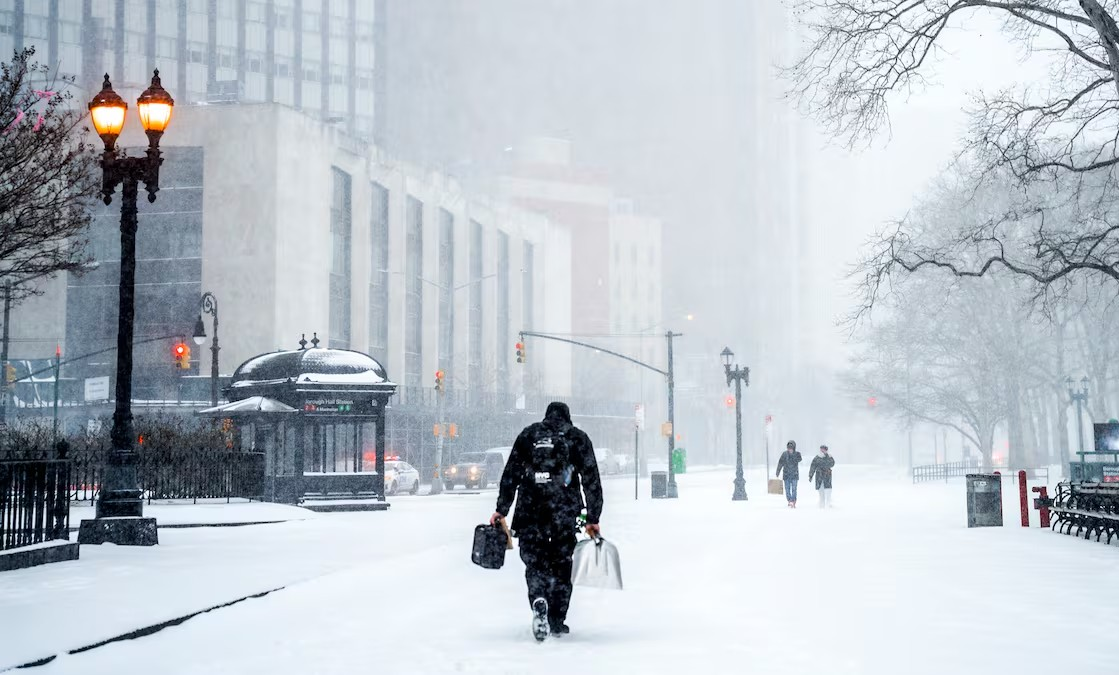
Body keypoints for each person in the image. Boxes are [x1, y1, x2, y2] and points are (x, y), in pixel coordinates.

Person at [490, 401, 604, 641]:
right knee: (562, 565)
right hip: (563, 514)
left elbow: (511, 474)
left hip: (530, 513)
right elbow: (591, 479)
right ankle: (557, 619)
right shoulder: (577, 438)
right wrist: (593, 517)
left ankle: (538, 598)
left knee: (535, 564)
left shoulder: (529, 435)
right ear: (567, 417)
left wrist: (501, 510)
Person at [775, 440, 802, 507]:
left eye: (791, 448)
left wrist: (794, 456)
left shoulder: (797, 454)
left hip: (794, 475)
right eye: (788, 448)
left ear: (794, 448)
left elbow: (800, 459)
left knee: (794, 489)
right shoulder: (784, 454)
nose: (790, 449)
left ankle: (793, 500)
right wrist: (778, 471)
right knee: (787, 489)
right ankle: (789, 500)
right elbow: (780, 463)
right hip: (786, 475)